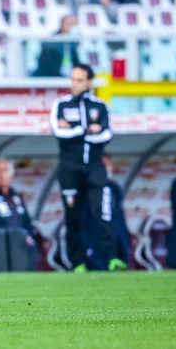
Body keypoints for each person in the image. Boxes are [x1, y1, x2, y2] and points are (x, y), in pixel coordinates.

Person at [50, 64, 126, 273]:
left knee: (102, 213)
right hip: (69, 170)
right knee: (72, 216)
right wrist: (86, 131)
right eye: (73, 79)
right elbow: (58, 132)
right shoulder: (61, 104)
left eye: (79, 80)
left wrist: (75, 130)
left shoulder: (100, 106)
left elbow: (106, 135)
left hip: (94, 168)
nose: (74, 84)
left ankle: (111, 259)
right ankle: (77, 263)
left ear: (90, 82)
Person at [0, 159, 38, 270]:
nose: (1, 175)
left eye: (5, 170)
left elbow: (27, 222)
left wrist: (28, 236)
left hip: (22, 250)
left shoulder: (16, 197)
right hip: (0, 252)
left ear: (11, 174)